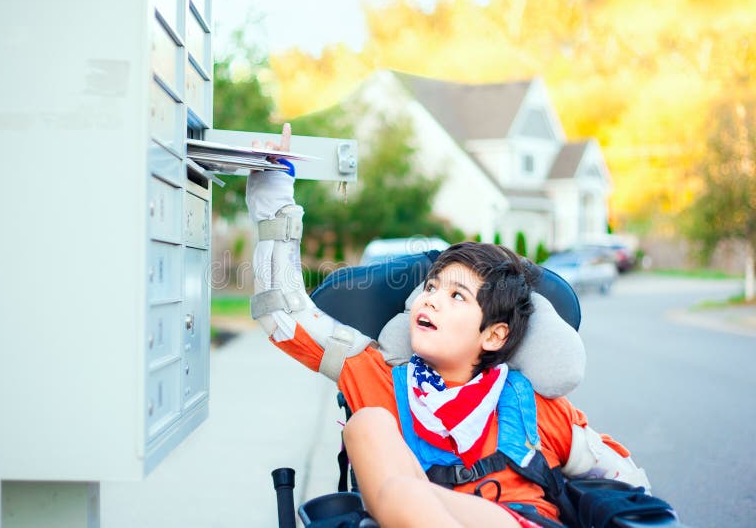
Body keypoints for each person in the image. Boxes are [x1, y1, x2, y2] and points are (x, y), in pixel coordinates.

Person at [247, 124, 650, 528]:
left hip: (514, 520)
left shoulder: (537, 408)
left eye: (456, 296)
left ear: (494, 334)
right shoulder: (377, 379)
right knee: (367, 423)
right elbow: (283, 314)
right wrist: (274, 193)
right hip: (408, 506)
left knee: (404, 489)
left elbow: (627, 482)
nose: (431, 299)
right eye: (432, 287)